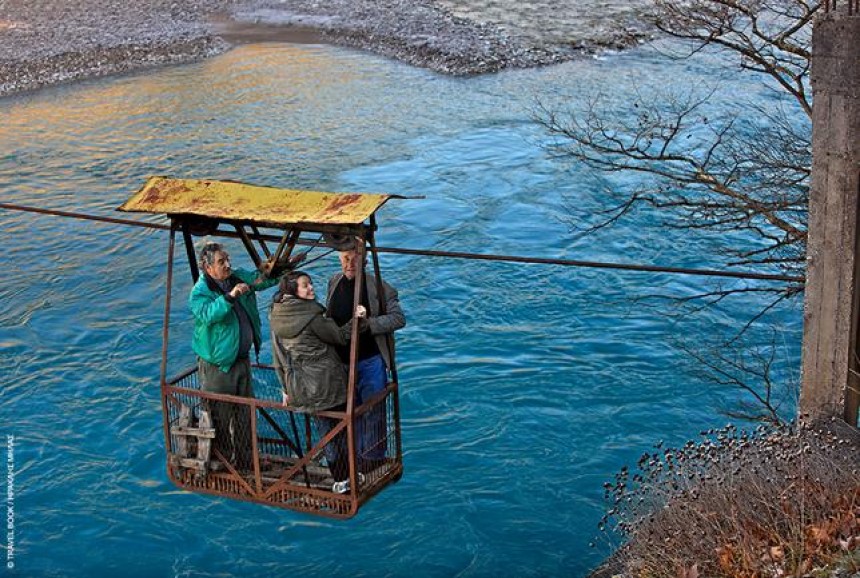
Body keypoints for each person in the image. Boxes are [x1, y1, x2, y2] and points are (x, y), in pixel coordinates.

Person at [270, 271, 365, 494]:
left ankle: (339, 480)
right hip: (326, 381)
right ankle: (350, 475)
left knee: (326, 432)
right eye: (305, 286)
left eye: (310, 283)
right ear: (294, 291)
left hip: (301, 385)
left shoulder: (277, 316)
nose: (311, 288)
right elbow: (340, 336)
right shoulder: (311, 317)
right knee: (342, 429)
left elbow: (278, 356)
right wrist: (358, 319)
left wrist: (285, 388)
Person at [189, 242, 279, 469]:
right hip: (219, 366)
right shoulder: (200, 292)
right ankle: (223, 461)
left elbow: (260, 281)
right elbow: (209, 314)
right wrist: (229, 297)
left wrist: (280, 271)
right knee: (219, 415)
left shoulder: (237, 277)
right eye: (221, 262)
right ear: (208, 268)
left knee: (245, 415)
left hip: (241, 359)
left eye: (227, 259)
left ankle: (247, 460)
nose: (228, 265)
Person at [326, 241, 406, 472]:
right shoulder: (334, 282)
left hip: (370, 359)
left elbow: (398, 319)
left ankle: (371, 458)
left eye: (353, 258)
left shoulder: (380, 287)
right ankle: (352, 456)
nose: (349, 264)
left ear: (364, 260)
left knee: (372, 409)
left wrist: (369, 324)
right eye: (345, 259)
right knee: (349, 409)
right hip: (341, 361)